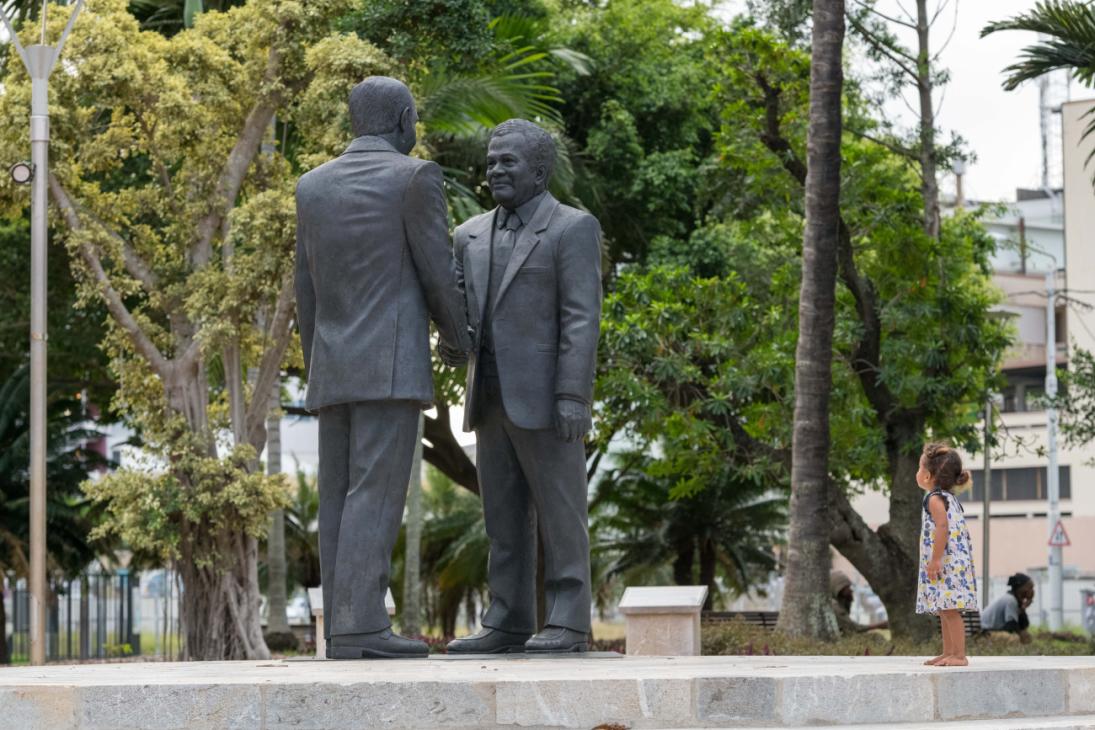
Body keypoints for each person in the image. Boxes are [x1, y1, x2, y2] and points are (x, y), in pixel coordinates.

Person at [294, 76, 472, 659]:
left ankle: (344, 629)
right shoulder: (413, 177)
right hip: (390, 363)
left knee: (340, 494)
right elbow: (436, 268)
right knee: (376, 491)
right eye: (414, 118)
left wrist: (316, 364)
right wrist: (457, 335)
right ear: (401, 119)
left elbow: (306, 286)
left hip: (334, 365)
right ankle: (363, 627)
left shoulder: (312, 186)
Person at [443, 119, 603, 654]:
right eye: (491, 162)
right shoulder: (468, 234)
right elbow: (461, 309)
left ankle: (569, 621)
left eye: (507, 161)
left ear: (539, 169)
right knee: (502, 519)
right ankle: (508, 621)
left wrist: (573, 395)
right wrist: (449, 335)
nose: (495, 170)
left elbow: (581, 319)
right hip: (488, 398)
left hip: (549, 399)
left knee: (562, 514)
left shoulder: (572, 229)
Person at [915, 442, 979, 667]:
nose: (918, 473)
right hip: (952, 563)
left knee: (950, 610)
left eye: (920, 469)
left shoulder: (934, 499)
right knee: (945, 608)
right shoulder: (948, 498)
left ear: (927, 476)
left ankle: (959, 655)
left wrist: (935, 559)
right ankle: (948, 652)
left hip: (947, 563)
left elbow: (942, 527)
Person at [981, 573, 1034, 643]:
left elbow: (1024, 625)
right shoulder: (1010, 600)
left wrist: (1023, 608)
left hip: (990, 631)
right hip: (984, 633)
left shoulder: (1013, 599)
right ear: (1020, 588)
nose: (1032, 591)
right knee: (1015, 639)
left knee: (1026, 636)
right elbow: (1011, 627)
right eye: (1029, 587)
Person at [830, 571, 887, 635]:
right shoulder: (833, 605)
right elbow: (852, 628)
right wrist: (879, 626)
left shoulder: (844, 599)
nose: (850, 590)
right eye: (845, 587)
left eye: (849, 586)